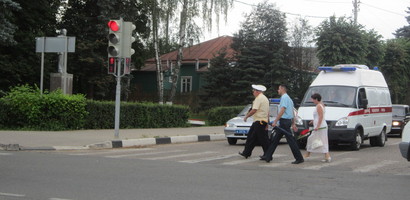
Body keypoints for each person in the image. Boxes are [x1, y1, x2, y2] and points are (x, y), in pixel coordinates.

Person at [260, 84, 304, 164]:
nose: (278, 90)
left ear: (282, 89)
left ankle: (299, 158)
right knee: (275, 140)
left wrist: (275, 121)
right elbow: (292, 112)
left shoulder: (284, 98)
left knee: (291, 141)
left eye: (279, 89)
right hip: (287, 121)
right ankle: (268, 156)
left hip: (284, 121)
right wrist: (293, 123)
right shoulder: (289, 99)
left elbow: (282, 110)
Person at [238, 84, 270, 159]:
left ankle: (268, 155)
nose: (253, 92)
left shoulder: (259, 98)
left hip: (259, 122)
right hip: (262, 121)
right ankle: (246, 153)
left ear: (257, 91)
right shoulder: (265, 98)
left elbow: (254, 110)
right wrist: (267, 123)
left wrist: (247, 116)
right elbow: (268, 112)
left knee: (263, 140)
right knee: (252, 137)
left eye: (254, 91)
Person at [304, 93, 331, 162]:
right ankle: (327, 156)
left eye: (313, 99)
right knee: (322, 140)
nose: (312, 101)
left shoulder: (319, 106)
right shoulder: (321, 104)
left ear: (316, 99)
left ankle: (308, 154)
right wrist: (313, 121)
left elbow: (321, 116)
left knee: (311, 139)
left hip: (320, 126)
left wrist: (318, 126)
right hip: (321, 125)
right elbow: (319, 116)